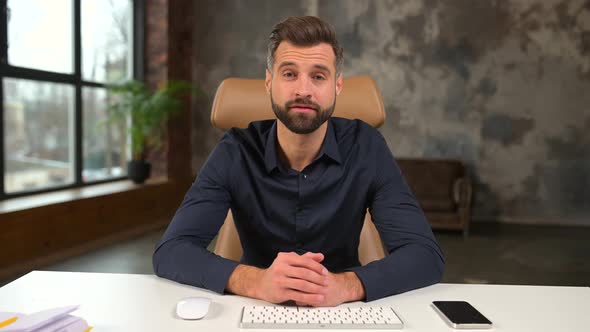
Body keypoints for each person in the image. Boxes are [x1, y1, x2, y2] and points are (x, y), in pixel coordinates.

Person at [153, 16, 444, 307]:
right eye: (289, 74)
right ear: (269, 82)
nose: (303, 90)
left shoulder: (366, 146)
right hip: (253, 307)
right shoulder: (235, 150)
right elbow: (172, 250)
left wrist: (346, 285)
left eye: (318, 76)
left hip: (342, 311)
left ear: (337, 86)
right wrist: (257, 281)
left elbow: (424, 255)